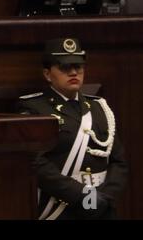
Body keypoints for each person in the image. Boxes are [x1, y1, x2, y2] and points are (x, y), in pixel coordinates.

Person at [17, 38, 128, 220]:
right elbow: (36, 163)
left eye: (78, 66)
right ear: (47, 74)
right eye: (65, 67)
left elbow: (118, 161)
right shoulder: (35, 108)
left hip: (102, 206)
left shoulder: (99, 107)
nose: (74, 72)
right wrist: (83, 196)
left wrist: (105, 198)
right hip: (62, 206)